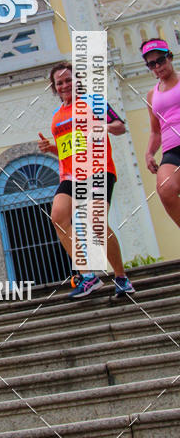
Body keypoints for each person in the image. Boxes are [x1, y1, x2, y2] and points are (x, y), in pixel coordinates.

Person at [38, 62, 134, 298]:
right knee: (58, 218)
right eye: (59, 83)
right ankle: (88, 276)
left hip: (99, 169)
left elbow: (120, 127)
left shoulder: (94, 101)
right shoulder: (56, 116)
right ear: (54, 87)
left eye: (68, 80)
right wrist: (50, 148)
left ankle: (121, 277)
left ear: (77, 80)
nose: (64, 85)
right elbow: (69, 148)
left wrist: (101, 127)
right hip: (71, 175)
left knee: (96, 220)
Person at [142, 37, 180, 227]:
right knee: (165, 188)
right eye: (151, 64)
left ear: (170, 57)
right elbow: (155, 131)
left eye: (161, 60)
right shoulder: (152, 95)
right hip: (172, 150)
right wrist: (149, 153)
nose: (157, 66)